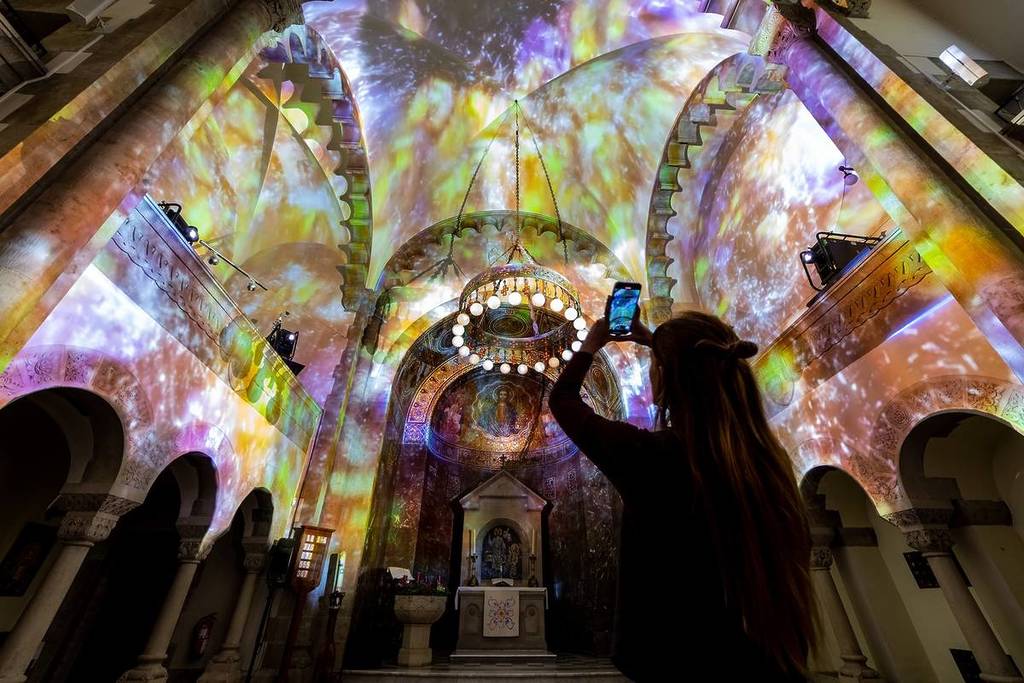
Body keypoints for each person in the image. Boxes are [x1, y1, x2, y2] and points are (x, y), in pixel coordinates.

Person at [549, 311, 815, 681]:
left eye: (655, 365)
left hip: (677, 661)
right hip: (767, 662)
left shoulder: (652, 457)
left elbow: (562, 400)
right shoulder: (769, 461)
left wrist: (592, 344)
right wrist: (659, 344)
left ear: (664, 377)